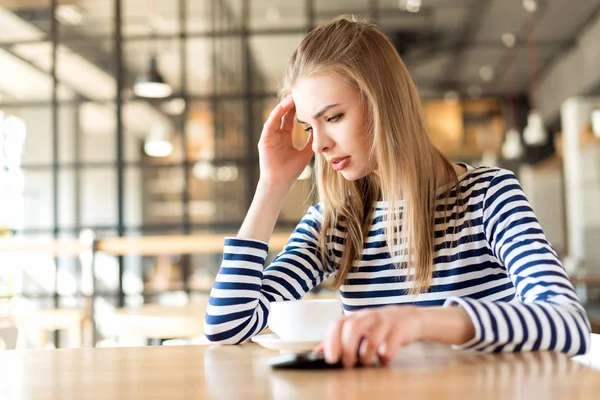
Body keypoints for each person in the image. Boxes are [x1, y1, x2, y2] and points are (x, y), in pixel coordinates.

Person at [204, 16, 591, 368]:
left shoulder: (488, 196)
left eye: (333, 117)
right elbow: (228, 326)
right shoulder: (336, 221)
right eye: (308, 126)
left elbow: (567, 321)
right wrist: (271, 184)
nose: (317, 144)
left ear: (384, 105)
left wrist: (420, 321)